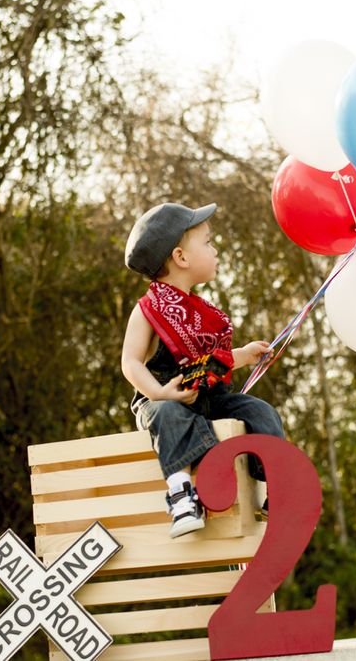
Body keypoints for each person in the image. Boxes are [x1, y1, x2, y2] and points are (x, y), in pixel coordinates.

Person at [122, 202, 284, 538]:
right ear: (181, 257)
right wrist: (159, 393)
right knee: (169, 414)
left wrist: (244, 354)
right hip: (166, 401)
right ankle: (182, 494)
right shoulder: (150, 310)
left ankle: (272, 491)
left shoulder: (200, 314)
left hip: (210, 398)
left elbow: (214, 361)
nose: (215, 249)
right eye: (208, 242)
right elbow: (131, 362)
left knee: (258, 411)